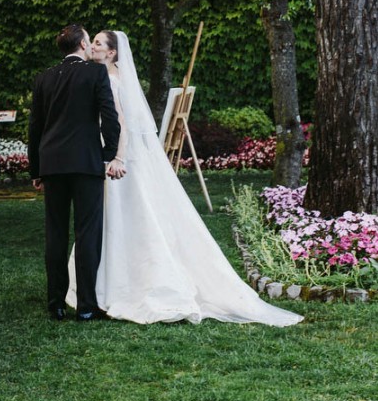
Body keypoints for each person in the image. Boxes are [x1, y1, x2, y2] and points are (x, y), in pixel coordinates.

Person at [67, 30, 303, 327]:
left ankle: (127, 286)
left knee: (123, 218)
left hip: (120, 162)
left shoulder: (110, 80)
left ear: (112, 53)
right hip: (121, 158)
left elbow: (121, 124)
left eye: (99, 44)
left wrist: (117, 158)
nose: (92, 47)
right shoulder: (110, 77)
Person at [29, 24, 126, 321]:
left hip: (53, 165)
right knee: (87, 234)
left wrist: (36, 169)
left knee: (55, 233)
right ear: (83, 45)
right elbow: (110, 117)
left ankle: (55, 303)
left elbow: (35, 128)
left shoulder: (44, 78)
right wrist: (109, 154)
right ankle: (86, 305)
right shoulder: (96, 74)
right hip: (86, 163)